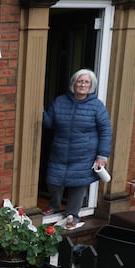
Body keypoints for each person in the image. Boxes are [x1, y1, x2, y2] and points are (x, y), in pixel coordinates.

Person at [42, 68, 112, 229]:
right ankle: (54, 205)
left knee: (78, 185)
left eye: (86, 82)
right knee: (53, 180)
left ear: (91, 86)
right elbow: (48, 124)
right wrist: (38, 112)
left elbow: (106, 131)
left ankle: (73, 214)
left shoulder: (97, 106)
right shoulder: (60, 101)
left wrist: (102, 155)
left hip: (84, 154)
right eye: (79, 81)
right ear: (73, 83)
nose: (82, 85)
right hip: (60, 151)